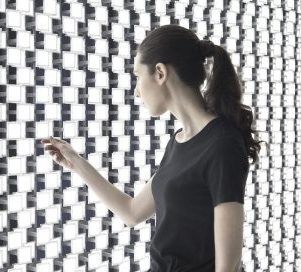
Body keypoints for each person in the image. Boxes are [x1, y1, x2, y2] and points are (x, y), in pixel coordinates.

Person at [41, 25, 265, 272]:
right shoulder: (179, 141)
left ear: (160, 73)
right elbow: (132, 212)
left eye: (138, 75)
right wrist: (76, 162)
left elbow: (228, 267)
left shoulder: (222, 144)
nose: (136, 91)